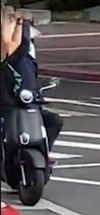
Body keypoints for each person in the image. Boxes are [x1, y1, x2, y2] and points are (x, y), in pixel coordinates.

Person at [1, 6, 62, 160]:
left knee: (54, 121)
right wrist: (21, 22)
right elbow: (10, 43)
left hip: (27, 104)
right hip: (6, 105)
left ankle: (44, 154)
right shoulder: (7, 55)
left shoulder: (28, 60)